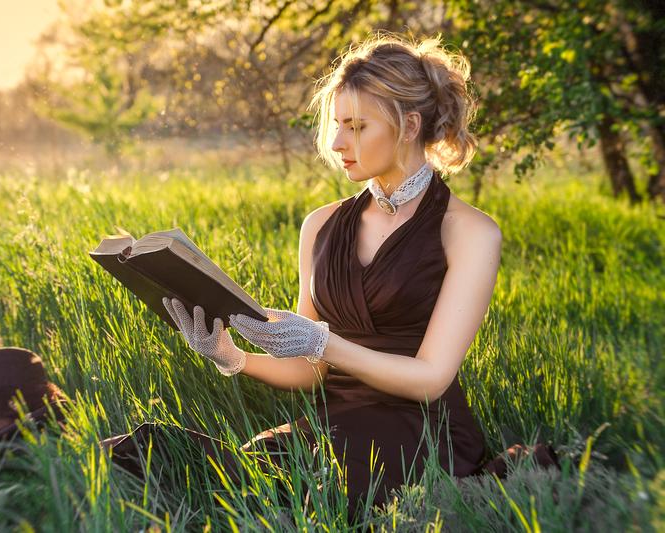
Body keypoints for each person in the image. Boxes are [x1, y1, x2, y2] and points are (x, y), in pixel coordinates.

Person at [111, 31, 502, 516]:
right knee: (210, 471)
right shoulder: (320, 225)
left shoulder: (469, 232)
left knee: (283, 495)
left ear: (408, 125)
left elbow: (430, 380)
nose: (338, 142)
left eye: (357, 126)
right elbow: (310, 372)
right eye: (337, 125)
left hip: (421, 430)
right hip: (331, 424)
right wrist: (231, 357)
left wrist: (322, 342)